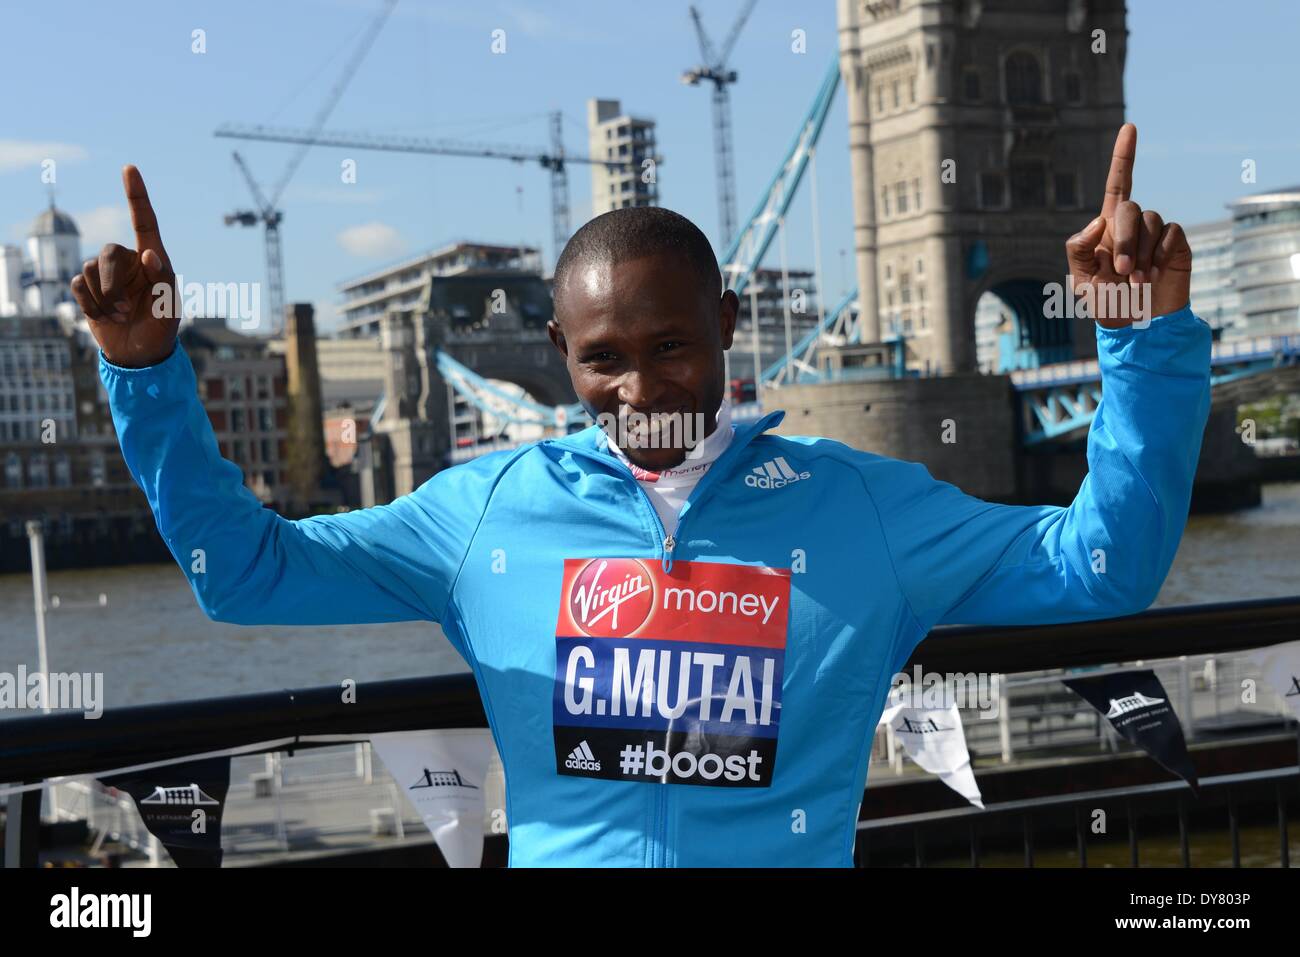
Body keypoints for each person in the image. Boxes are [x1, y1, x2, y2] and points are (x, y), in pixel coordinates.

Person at [72, 123, 1210, 867]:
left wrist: (1142, 336)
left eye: (671, 345)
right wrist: (144, 374)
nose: (638, 388)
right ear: (561, 355)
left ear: (726, 324)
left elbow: (1102, 566)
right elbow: (249, 577)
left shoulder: (858, 507)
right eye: (601, 359)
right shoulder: (481, 512)